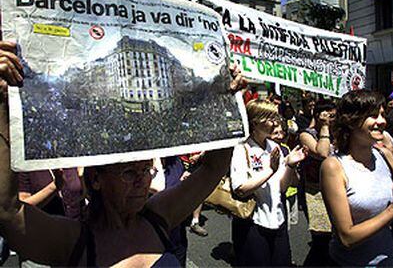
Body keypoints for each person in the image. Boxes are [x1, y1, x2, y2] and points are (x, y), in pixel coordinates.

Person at [0, 40, 245, 267]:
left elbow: (213, 168)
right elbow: (9, 212)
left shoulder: (159, 216)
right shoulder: (73, 239)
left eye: (147, 169)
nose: (143, 180)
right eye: (128, 172)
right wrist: (2, 103)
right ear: (96, 179)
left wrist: (226, 99)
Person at [320, 89, 393, 266]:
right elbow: (347, 237)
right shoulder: (333, 167)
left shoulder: (385, 154)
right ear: (352, 121)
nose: (382, 121)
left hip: (391, 260)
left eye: (382, 114)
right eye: (373, 115)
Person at [230, 100, 307, 266]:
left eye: (275, 117)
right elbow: (240, 189)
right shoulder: (241, 148)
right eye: (270, 117)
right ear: (255, 122)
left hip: (277, 218)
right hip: (252, 222)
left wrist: (290, 166)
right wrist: (269, 170)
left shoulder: (274, 147)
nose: (275, 122)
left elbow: (282, 187)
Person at [299, 98, 336, 266]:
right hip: (314, 191)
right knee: (322, 239)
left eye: (334, 116)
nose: (333, 120)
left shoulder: (339, 133)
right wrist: (325, 127)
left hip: (335, 189)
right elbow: (322, 153)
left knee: (335, 237)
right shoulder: (307, 134)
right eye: (330, 116)